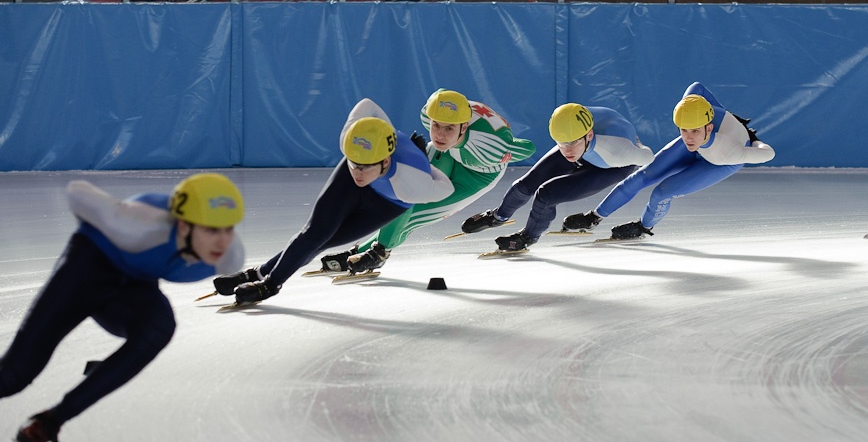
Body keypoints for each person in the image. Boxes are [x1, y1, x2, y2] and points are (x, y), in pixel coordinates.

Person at [0, 173, 246, 442]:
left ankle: (51, 420)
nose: (222, 241)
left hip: (132, 287)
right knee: (13, 375)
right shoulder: (137, 223)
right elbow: (77, 191)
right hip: (86, 270)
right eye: (212, 230)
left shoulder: (229, 256)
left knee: (159, 327)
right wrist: (111, 219)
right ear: (184, 225)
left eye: (229, 229)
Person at [214, 98, 454, 304]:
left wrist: (427, 167)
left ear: (386, 161)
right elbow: (367, 105)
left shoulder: (413, 184)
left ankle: (265, 278)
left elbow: (446, 188)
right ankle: (267, 281)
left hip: (390, 201)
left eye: (365, 167)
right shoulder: (351, 140)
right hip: (356, 181)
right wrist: (382, 131)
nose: (358, 172)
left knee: (324, 242)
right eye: (354, 163)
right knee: (314, 233)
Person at [321, 88, 536, 274]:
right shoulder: (429, 112)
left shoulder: (490, 147)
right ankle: (366, 250)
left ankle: (377, 253)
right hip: (448, 154)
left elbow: (528, 147)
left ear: (464, 126)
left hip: (476, 176)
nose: (439, 135)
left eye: (449, 128)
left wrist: (506, 151)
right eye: (436, 126)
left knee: (415, 217)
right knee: (406, 195)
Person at [561, 82, 776, 240]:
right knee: (641, 176)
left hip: (719, 161)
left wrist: (753, 140)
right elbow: (697, 87)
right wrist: (722, 115)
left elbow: (768, 154)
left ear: (709, 127)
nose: (688, 136)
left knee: (661, 193)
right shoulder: (693, 119)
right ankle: (594, 217)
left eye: (693, 130)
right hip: (704, 142)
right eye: (683, 130)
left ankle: (644, 227)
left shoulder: (729, 151)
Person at [462, 102, 654, 252]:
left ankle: (527, 237)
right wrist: (570, 144)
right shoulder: (569, 128)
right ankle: (498, 217)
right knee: (525, 185)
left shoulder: (618, 151)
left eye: (571, 143)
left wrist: (637, 147)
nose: (567, 150)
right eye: (561, 143)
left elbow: (649, 157)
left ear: (589, 135)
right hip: (587, 147)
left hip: (610, 165)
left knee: (546, 195)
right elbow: (569, 143)